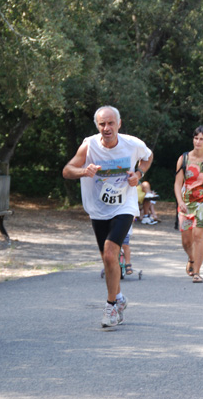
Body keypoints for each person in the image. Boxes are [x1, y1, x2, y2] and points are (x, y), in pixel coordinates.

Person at [63, 105, 153, 328]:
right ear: (97, 126)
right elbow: (67, 170)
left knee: (112, 254)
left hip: (124, 206)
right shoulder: (89, 145)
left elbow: (148, 157)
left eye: (111, 123)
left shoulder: (132, 144)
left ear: (119, 124)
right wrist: (84, 171)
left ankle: (111, 305)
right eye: (102, 124)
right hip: (98, 208)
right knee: (107, 258)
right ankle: (120, 298)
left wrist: (139, 174)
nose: (106, 128)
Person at [174, 125, 203, 283]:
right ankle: (192, 258)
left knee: (198, 237)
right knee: (186, 241)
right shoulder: (184, 159)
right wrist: (180, 202)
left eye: (201, 139)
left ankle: (198, 272)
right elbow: (178, 183)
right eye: (196, 138)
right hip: (186, 202)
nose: (198, 142)